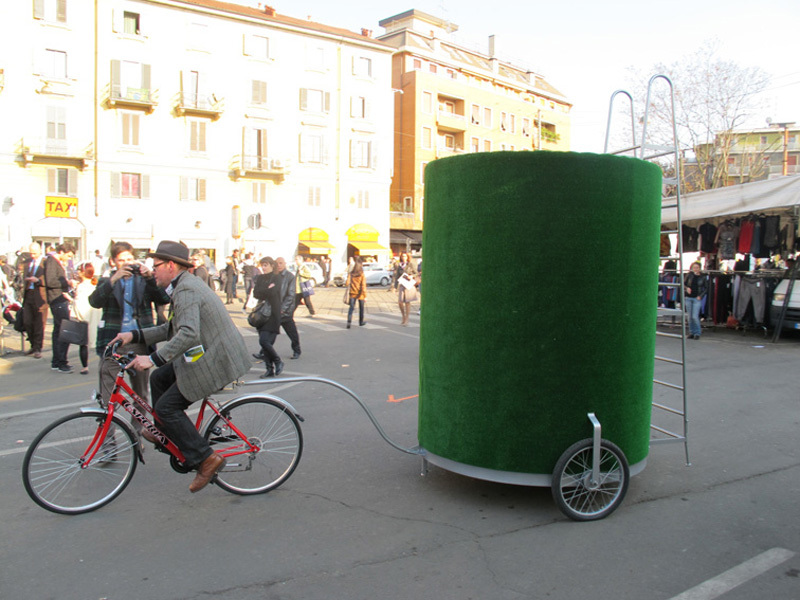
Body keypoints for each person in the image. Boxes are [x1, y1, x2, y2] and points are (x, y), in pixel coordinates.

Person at [112, 240, 251, 493]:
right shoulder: (182, 285)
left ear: (171, 265)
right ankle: (165, 432)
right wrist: (134, 335)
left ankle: (206, 459)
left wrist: (152, 359)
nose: (152, 271)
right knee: (157, 379)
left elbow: (187, 333)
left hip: (216, 360)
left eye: (156, 266)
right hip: (205, 353)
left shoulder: (185, 289)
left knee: (166, 407)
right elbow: (170, 329)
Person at [89, 242, 171, 413]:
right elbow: (94, 301)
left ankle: (138, 429)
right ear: (113, 261)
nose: (126, 263)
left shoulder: (144, 281)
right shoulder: (107, 281)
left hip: (139, 340)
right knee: (108, 394)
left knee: (140, 393)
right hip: (113, 341)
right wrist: (114, 279)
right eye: (121, 260)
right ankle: (109, 429)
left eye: (129, 259)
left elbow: (164, 299)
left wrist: (150, 278)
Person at [44, 243, 76, 372]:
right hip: (57, 299)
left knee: (58, 331)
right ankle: (61, 361)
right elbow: (50, 281)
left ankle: (57, 361)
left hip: (58, 299)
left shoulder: (54, 262)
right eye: (68, 256)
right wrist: (67, 282)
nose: (68, 259)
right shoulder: (52, 261)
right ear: (62, 252)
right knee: (63, 331)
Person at [251, 256, 284, 377]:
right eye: (262, 265)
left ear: (272, 265)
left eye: (266, 265)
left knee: (264, 341)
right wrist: (267, 288)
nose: (263, 268)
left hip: (273, 313)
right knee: (265, 344)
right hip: (262, 314)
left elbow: (273, 292)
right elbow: (256, 293)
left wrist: (264, 290)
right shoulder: (260, 278)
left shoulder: (277, 277)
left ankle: (278, 361)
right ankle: (269, 369)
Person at [71, 263, 101, 375]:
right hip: (96, 316)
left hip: (85, 318)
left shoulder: (81, 287)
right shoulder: (95, 285)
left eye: (79, 270)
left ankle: (85, 366)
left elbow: (78, 304)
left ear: (83, 272)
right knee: (99, 341)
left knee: (83, 343)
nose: (77, 272)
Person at [22, 243, 48, 359]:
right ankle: (33, 344)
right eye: (31, 253)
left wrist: (38, 280)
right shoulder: (28, 262)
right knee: (27, 321)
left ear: (40, 251)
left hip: (40, 296)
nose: (33, 255)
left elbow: (49, 279)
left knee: (39, 324)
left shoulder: (45, 262)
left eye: (35, 253)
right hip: (28, 294)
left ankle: (37, 348)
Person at [275, 257, 301, 359]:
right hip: (275, 309)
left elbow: (291, 295)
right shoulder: (274, 276)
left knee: (291, 332)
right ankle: (264, 351)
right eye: (277, 263)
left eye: (281, 263)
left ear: (285, 264)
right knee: (270, 333)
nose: (279, 265)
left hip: (285, 311)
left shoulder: (290, 277)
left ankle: (296, 350)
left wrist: (283, 309)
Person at [683, 261, 707, 340]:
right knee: (689, 317)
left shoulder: (703, 277)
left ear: (700, 268)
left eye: (697, 268)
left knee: (694, 316)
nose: (695, 269)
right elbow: (683, 284)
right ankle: (691, 332)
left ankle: (697, 333)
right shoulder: (689, 275)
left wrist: (701, 296)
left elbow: (706, 288)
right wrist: (687, 288)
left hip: (696, 298)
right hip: (688, 298)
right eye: (694, 267)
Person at [394, 252, 418, 326]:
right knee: (400, 302)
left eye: (405, 256)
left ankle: (407, 319)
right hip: (402, 284)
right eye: (402, 256)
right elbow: (397, 276)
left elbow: (416, 273)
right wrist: (395, 287)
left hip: (408, 285)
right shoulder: (400, 265)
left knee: (407, 302)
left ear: (407, 257)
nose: (404, 257)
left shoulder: (410, 264)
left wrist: (411, 276)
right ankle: (403, 316)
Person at [346, 256, 367, 328]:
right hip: (360, 293)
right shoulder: (361, 274)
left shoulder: (351, 273)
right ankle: (361, 322)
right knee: (361, 308)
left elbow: (347, 283)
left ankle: (349, 321)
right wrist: (365, 295)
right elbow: (363, 285)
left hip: (352, 292)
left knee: (351, 307)